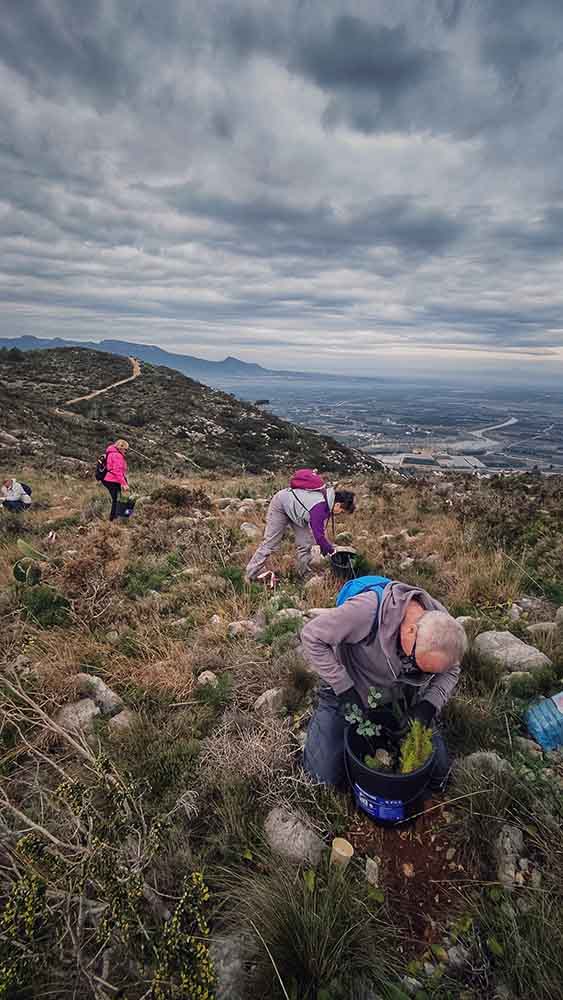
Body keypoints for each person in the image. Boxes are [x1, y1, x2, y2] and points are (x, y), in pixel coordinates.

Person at [300, 580, 467, 788]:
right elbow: (311, 636)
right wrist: (343, 687)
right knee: (322, 780)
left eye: (429, 672)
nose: (420, 674)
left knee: (439, 776)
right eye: (416, 664)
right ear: (411, 631)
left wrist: (428, 705)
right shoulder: (365, 611)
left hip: (399, 694)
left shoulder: (445, 628)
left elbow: (452, 669)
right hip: (349, 689)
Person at [245, 469, 355, 581]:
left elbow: (320, 532)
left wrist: (326, 547)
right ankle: (250, 574)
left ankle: (303, 573)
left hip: (297, 511)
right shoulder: (320, 507)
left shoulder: (328, 500)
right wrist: (331, 551)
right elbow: (318, 536)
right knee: (271, 543)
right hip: (281, 505)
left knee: (305, 543)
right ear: (338, 504)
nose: (340, 514)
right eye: (342, 511)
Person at [101, 439, 129, 521]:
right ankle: (114, 519)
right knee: (117, 499)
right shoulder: (117, 456)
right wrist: (124, 484)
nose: (126, 451)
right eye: (125, 449)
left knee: (116, 499)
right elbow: (117, 471)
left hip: (108, 479)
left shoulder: (111, 453)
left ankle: (116, 517)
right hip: (113, 480)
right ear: (121, 448)